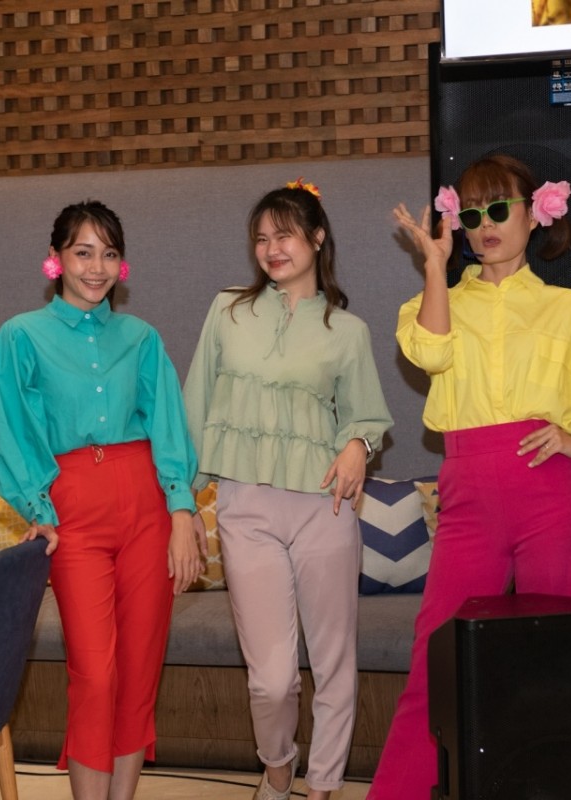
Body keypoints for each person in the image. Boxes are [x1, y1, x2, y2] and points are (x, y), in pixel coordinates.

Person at [367, 154, 571, 799]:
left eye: (499, 208)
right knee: (436, 658)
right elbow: (429, 352)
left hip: (551, 491)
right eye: (471, 214)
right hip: (467, 490)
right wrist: (435, 267)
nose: (486, 224)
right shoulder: (431, 303)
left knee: (557, 664)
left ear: (535, 213)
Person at [183, 179, 393, 800]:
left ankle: (323, 786)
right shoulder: (228, 311)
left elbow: (367, 417)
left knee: (333, 662)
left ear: (317, 238)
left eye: (286, 234)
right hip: (243, 507)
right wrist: (182, 501)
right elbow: (195, 406)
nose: (272, 248)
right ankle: (277, 771)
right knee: (271, 679)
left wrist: (358, 444)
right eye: (262, 238)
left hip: (325, 507)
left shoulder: (347, 330)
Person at [0, 200, 202, 800]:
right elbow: (14, 429)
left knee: (139, 671)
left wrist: (181, 511)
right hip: (72, 512)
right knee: (95, 672)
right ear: (55, 258)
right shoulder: (21, 335)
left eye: (109, 254)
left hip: (146, 506)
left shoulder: (142, 338)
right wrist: (39, 511)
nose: (96, 267)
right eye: (83, 252)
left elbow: (168, 427)